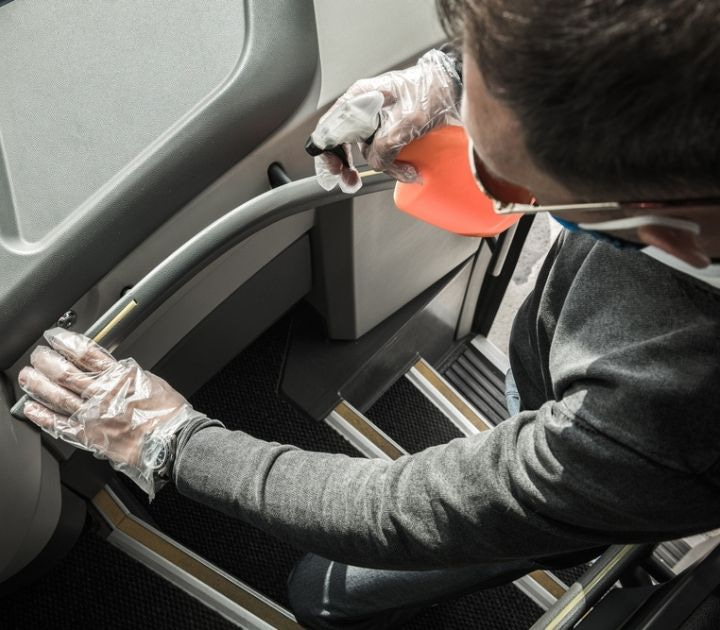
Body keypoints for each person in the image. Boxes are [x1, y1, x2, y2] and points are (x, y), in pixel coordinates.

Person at [17, 1, 720, 628]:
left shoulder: (659, 412)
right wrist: (453, 79)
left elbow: (397, 508)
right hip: (563, 389)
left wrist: (167, 439)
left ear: (664, 221)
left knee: (327, 592)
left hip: (611, 472)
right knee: (531, 410)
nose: (461, 147)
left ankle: (569, 537)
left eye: (497, 174)